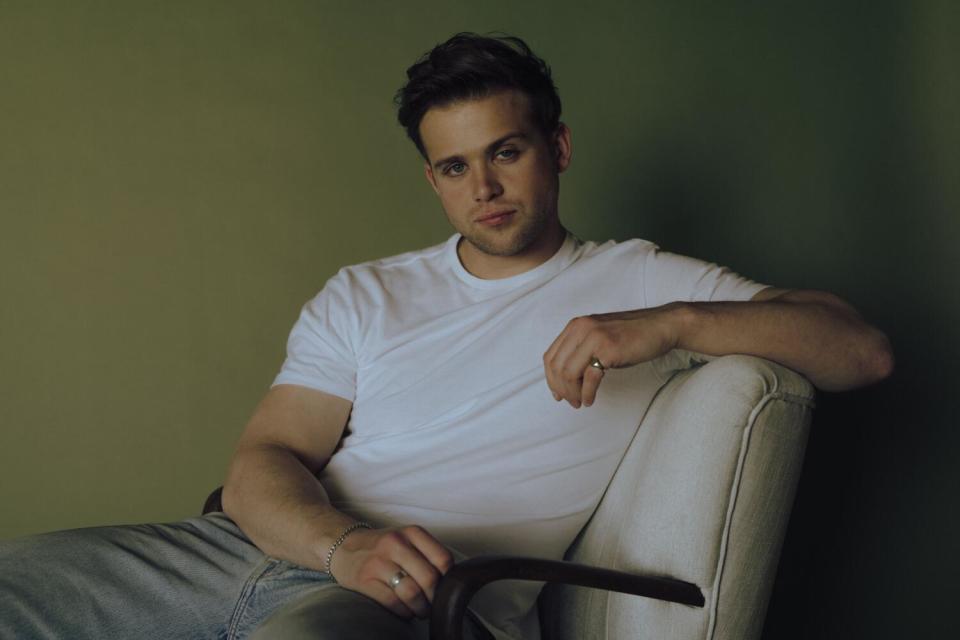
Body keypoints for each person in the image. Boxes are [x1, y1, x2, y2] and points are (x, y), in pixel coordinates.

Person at [0, 32, 892, 640]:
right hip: (271, 547)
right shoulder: (365, 294)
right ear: (433, 179)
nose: (485, 188)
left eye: (506, 151)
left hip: (423, 598)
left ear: (559, 147)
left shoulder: (641, 279)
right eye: (456, 167)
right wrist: (339, 544)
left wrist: (673, 324)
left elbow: (862, 351)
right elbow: (264, 459)